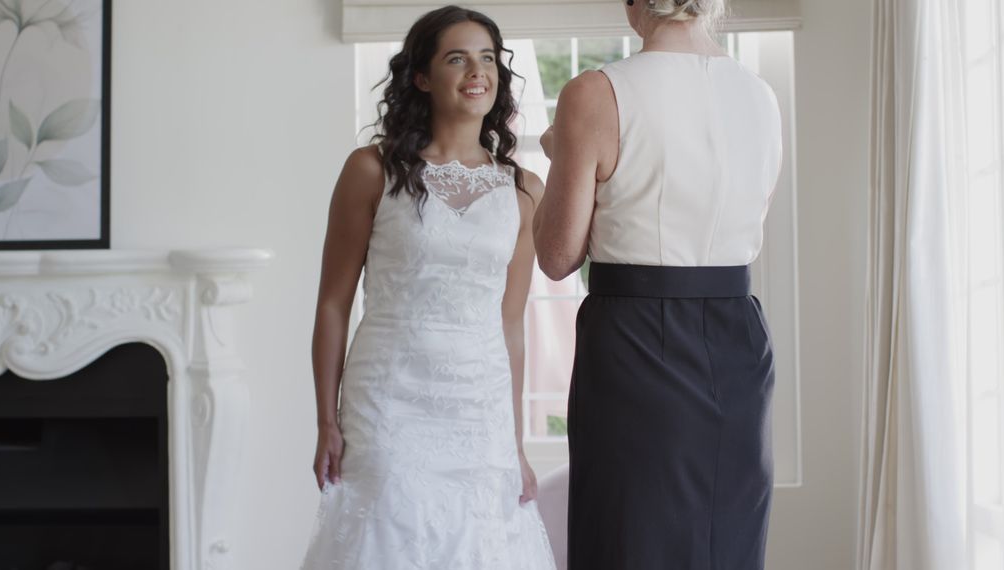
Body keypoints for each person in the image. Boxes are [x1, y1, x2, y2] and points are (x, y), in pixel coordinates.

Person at [301, 6, 557, 569]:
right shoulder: (371, 170)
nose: (477, 71)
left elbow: (510, 323)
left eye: (488, 58)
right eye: (457, 57)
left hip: (480, 409)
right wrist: (326, 420)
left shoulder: (525, 189)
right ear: (421, 77)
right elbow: (332, 303)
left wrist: (514, 441)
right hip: (387, 402)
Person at [533, 0, 783, 568]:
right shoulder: (761, 96)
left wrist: (558, 156)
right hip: (740, 339)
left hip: (635, 335)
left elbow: (555, 254)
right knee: (727, 536)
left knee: (631, 534)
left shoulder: (595, 92)